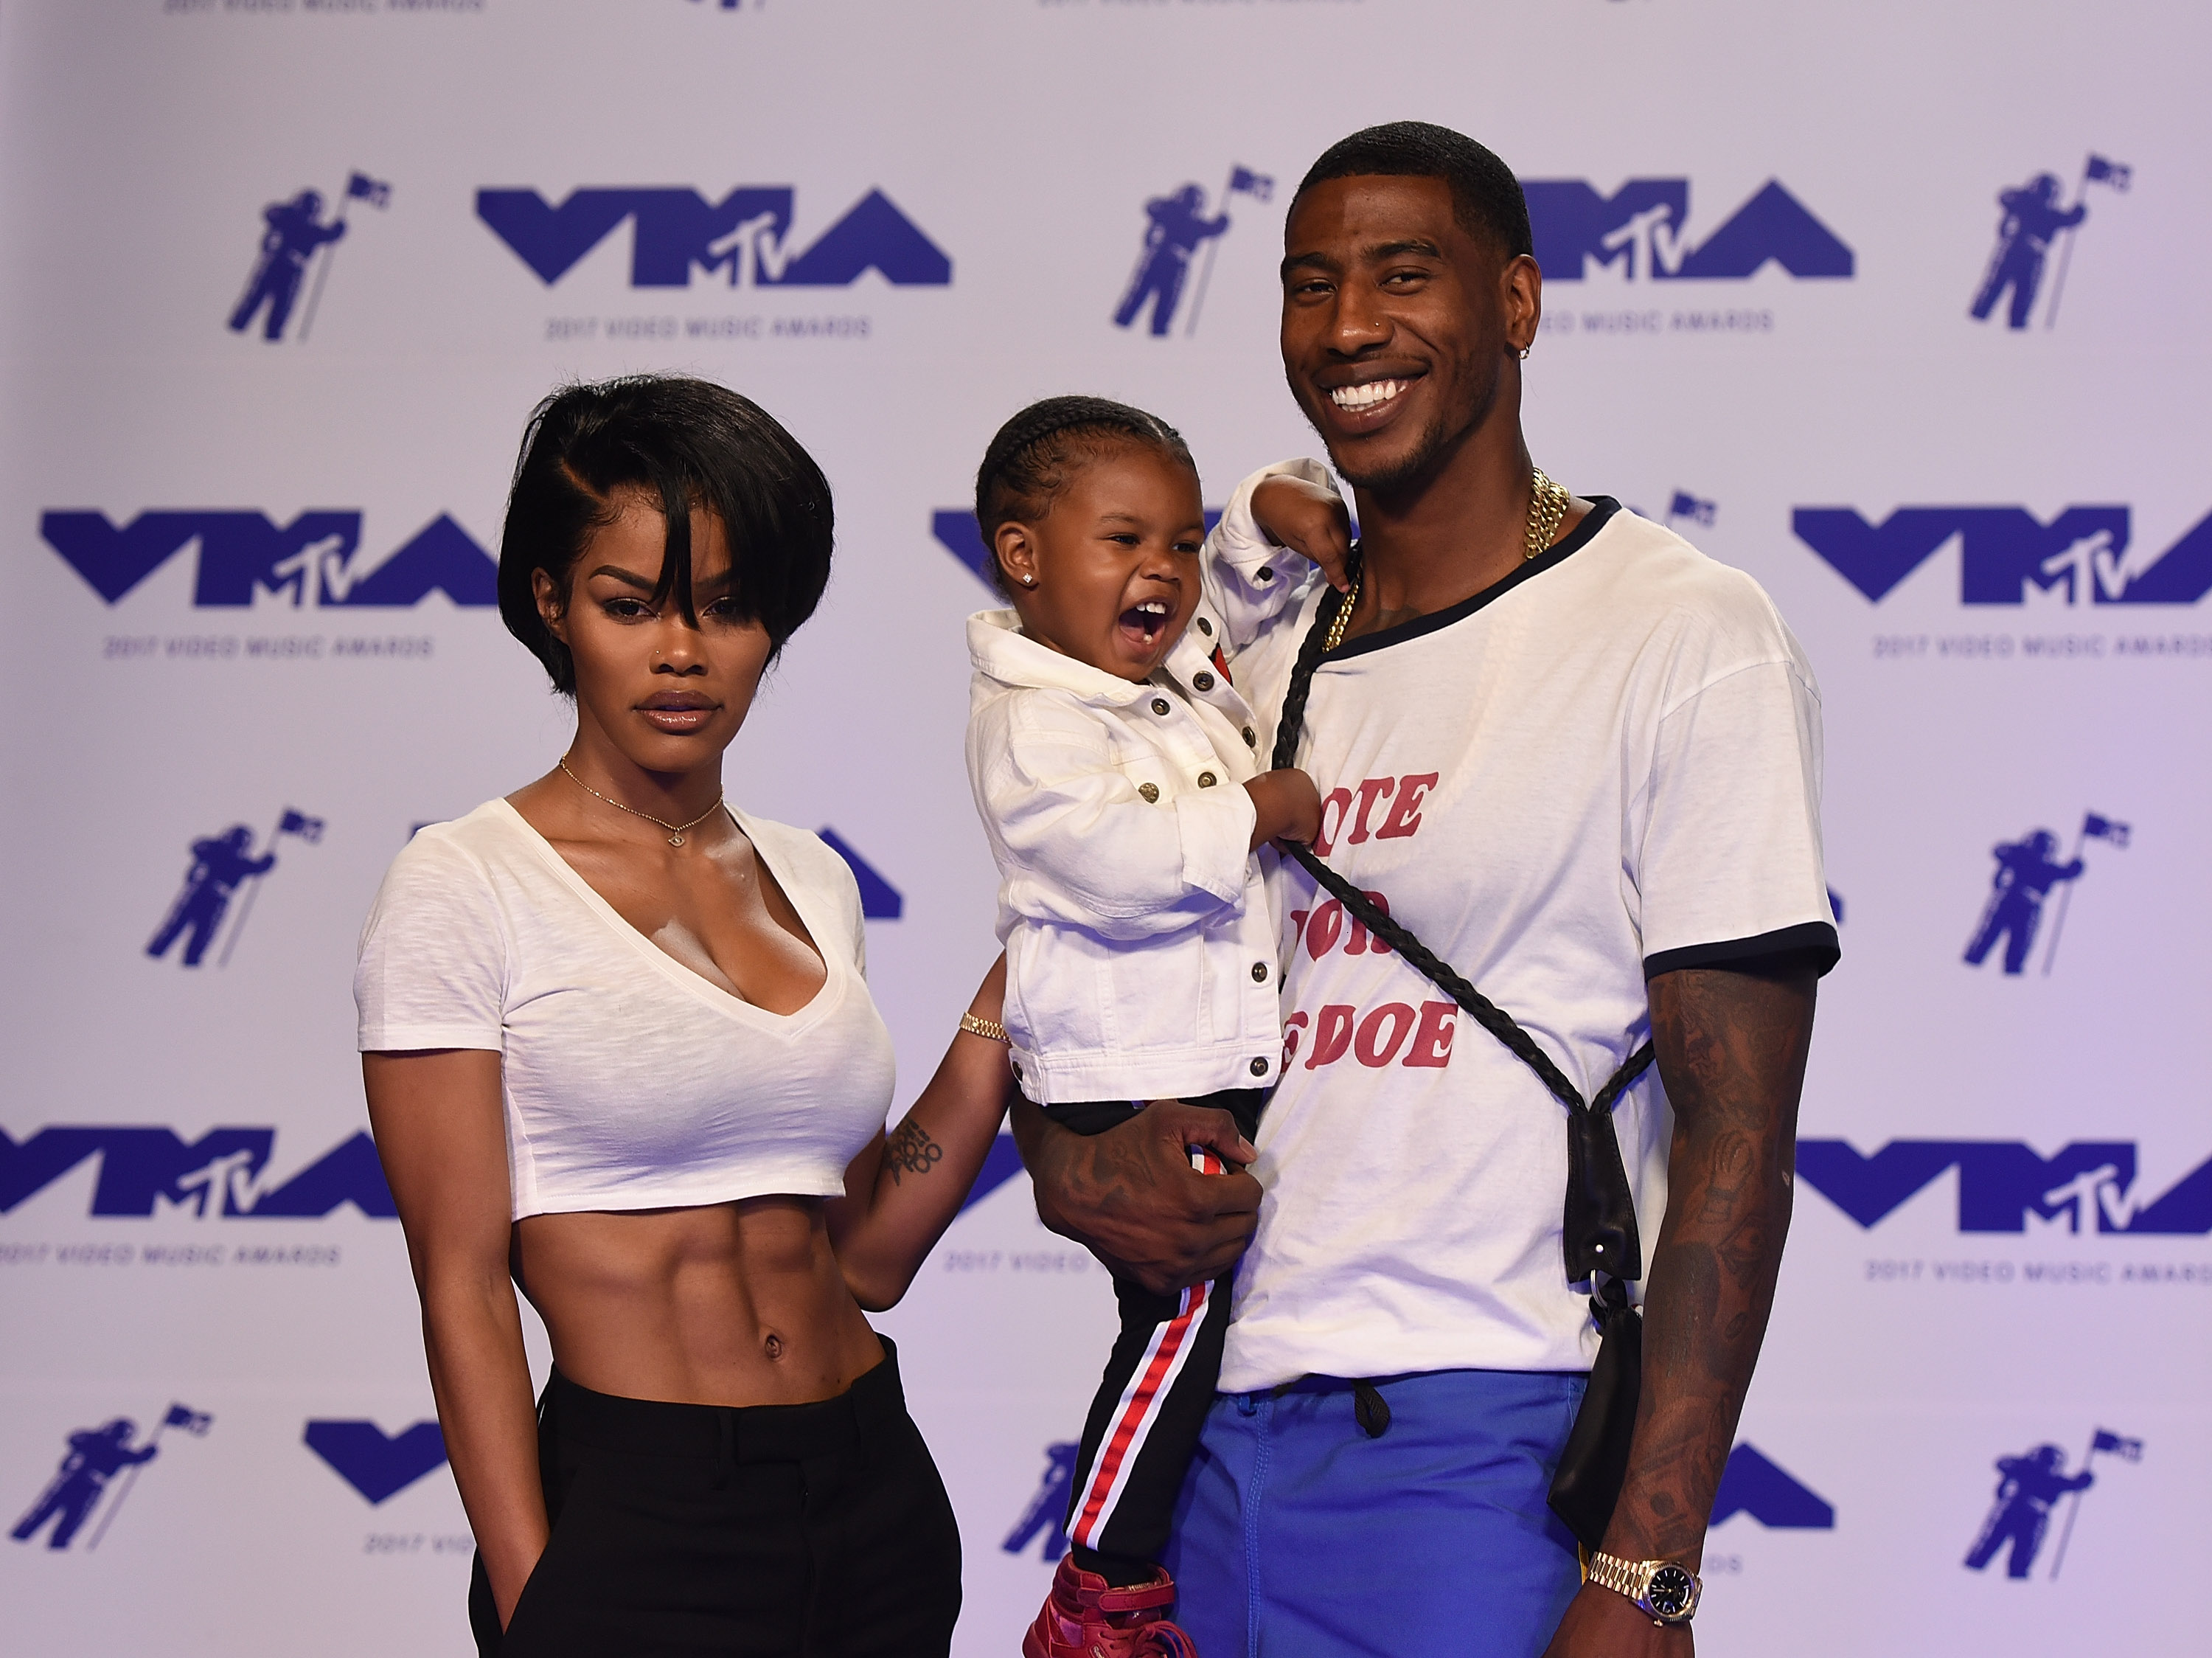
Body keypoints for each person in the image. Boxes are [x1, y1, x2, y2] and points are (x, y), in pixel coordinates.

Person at [1012, 122, 1836, 1657]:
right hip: (1207, 1444)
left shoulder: (1678, 629)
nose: (1346, 329)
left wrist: (1646, 1567)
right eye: (1308, 285)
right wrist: (1062, 1159)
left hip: (1493, 1445)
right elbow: (1065, 971)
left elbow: (1740, 1123)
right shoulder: (1247, 675)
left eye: (1406, 274)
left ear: (1515, 300)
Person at [356, 375, 1015, 1657]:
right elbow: (461, 1284)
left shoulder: (813, 877)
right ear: (552, 602)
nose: (681, 649)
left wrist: (1010, 994)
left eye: (726, 606)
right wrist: (535, 1585)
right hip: (639, 1509)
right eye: (628, 602)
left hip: (874, 1484)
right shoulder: (462, 881)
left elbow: (868, 1250)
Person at [960, 396, 1320, 1656]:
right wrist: (1264, 809)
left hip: (1205, 1060)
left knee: (1201, 1316)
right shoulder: (1036, 716)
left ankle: (1136, 1557)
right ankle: (1097, 1581)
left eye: (1176, 539)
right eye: (1123, 540)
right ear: (1023, 556)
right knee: (1177, 1313)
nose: (1161, 570)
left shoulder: (1156, 657)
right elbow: (1119, 861)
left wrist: (1277, 504)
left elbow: (1236, 571)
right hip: (1126, 1077)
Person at [10, 1419, 156, 1550]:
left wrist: (148, 1453)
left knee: (67, 1523)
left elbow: (138, 1458)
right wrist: (146, 1453)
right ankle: (19, 1542)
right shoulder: (96, 1441)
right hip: (74, 1482)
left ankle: (48, 1547)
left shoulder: (112, 1448)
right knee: (47, 1515)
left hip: (86, 1487)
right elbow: (74, 1438)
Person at [1969, 173, 2084, 330]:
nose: (2044, 198)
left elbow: (2071, 220)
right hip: (2012, 253)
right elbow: (2004, 196)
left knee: (2021, 302)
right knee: (1992, 294)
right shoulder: (2022, 203)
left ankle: (2011, 331)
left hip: (2031, 258)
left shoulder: (2051, 215)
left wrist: (2079, 212)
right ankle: (1974, 325)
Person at [146, 825, 274, 966]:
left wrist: (267, 861)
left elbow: (258, 868)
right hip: (198, 893)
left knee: (201, 937)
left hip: (216, 900)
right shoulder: (215, 850)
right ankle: (155, 957)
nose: (236, 845)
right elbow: (197, 846)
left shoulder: (239, 861)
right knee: (175, 929)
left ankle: (188, 963)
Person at [229, 190, 347, 342]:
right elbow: (270, 213)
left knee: (280, 306)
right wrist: (338, 229)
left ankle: (268, 334)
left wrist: (339, 228)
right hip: (276, 264)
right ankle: (243, 327)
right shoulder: (288, 219)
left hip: (290, 269)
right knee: (258, 299)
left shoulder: (309, 228)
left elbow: (330, 235)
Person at [1963, 828, 2082, 974]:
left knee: (2016, 950)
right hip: (2008, 902)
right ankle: (1968, 970)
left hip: (2027, 908)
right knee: (1986, 941)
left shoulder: (2047, 867)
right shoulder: (2020, 857)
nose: (2042, 853)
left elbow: (2067, 873)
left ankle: (2007, 978)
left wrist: (2076, 867)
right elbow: (1999, 850)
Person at [1115, 186, 1230, 336]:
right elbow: (1214, 229)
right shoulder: (1174, 214)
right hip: (1163, 260)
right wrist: (1223, 221)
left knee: (1159, 304)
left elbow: (1214, 229)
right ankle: (1130, 328)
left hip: (1169, 262)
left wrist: (1223, 221)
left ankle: (1144, 331)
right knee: (1147, 300)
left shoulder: (1178, 216)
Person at [1964, 1444, 2092, 1578]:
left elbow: (2075, 1485)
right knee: (1985, 1550)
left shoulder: (2054, 1480)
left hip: (2033, 1519)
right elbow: (2002, 1463)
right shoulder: (2022, 1469)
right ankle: (1968, 1577)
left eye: (2051, 1463)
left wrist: (2084, 1479)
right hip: (2009, 1513)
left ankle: (2015, 1586)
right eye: (2046, 1461)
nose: (2047, 1466)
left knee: (2021, 1560)